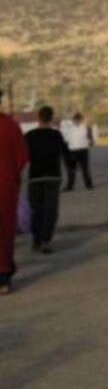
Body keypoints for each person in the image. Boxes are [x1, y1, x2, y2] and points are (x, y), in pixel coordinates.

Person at [24, 106, 68, 254]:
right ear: (51, 118)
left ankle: (36, 240)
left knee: (36, 209)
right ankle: (46, 240)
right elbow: (66, 154)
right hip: (53, 176)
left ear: (39, 117)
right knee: (50, 210)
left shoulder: (30, 135)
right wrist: (72, 168)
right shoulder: (56, 135)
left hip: (35, 177)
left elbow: (22, 155)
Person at [0, 91, 29, 294]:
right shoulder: (10, 125)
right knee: (5, 230)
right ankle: (4, 277)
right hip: (6, 185)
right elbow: (22, 156)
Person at [61, 111, 94, 191]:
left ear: (81, 119)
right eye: (75, 119)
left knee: (85, 168)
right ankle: (70, 186)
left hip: (83, 150)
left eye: (78, 119)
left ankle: (88, 184)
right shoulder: (69, 129)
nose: (76, 121)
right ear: (73, 120)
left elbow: (90, 138)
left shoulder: (86, 127)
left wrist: (91, 141)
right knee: (71, 169)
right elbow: (66, 139)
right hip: (72, 151)